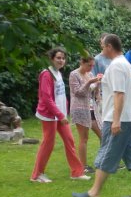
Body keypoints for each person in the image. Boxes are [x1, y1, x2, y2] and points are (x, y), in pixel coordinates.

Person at [72, 34, 131, 197]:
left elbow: (119, 94)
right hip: (128, 118)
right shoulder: (124, 64)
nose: (101, 49)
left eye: (102, 46)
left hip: (118, 119)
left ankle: (94, 193)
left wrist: (115, 120)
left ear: (109, 46)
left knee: (107, 153)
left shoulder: (116, 66)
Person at [31, 47, 91, 183]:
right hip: (49, 115)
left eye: (63, 58)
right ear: (52, 59)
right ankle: (37, 175)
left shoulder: (58, 73)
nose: (61, 60)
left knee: (69, 140)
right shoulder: (47, 74)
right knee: (48, 143)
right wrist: (59, 114)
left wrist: (64, 112)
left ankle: (76, 172)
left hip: (60, 115)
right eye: (58, 58)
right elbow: (46, 98)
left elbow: (60, 95)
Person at [69, 55, 103, 174]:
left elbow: (94, 90)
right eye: (89, 65)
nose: (91, 68)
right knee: (84, 138)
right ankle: (83, 166)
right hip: (80, 109)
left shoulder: (90, 74)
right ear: (82, 62)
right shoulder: (74, 74)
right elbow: (78, 92)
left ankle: (104, 162)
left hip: (92, 109)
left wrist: (98, 83)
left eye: (92, 65)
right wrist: (89, 82)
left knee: (103, 134)